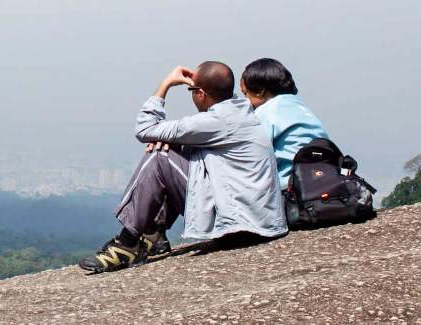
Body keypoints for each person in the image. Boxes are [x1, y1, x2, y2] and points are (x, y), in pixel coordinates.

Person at [78, 62, 287, 273]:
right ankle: (152, 234)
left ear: (200, 94)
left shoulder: (216, 120)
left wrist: (166, 84)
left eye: (192, 91)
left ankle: (128, 244)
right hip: (260, 222)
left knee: (159, 157)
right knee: (172, 153)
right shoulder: (239, 113)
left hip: (239, 228)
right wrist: (174, 142)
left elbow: (144, 128)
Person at [240, 58, 329, 187]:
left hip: (291, 190)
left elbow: (248, 158)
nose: (246, 101)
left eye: (245, 94)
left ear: (260, 91)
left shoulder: (266, 111)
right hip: (321, 181)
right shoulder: (301, 107)